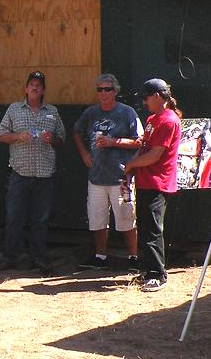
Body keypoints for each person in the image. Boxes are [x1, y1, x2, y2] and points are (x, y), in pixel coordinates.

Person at [0, 71, 66, 275]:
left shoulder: (52, 111)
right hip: (20, 172)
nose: (35, 88)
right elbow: (1, 135)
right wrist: (18, 136)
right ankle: (10, 257)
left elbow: (62, 139)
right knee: (14, 217)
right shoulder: (13, 109)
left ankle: (39, 258)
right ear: (26, 88)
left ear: (44, 90)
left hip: (45, 174)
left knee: (40, 219)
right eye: (32, 84)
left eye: (39, 85)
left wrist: (51, 138)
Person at [73, 73, 142, 272]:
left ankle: (133, 257)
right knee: (97, 218)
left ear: (115, 91)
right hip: (96, 176)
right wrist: (84, 153)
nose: (103, 93)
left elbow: (139, 141)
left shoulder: (127, 113)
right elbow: (76, 131)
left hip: (120, 176)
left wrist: (114, 142)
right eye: (100, 89)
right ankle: (100, 256)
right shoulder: (91, 113)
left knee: (126, 216)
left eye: (107, 89)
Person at [123, 78, 181, 292]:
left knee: (153, 230)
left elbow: (154, 156)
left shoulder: (168, 120)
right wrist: (131, 172)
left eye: (146, 97)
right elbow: (144, 148)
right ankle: (148, 271)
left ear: (157, 96)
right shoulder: (152, 119)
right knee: (146, 227)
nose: (144, 102)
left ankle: (158, 274)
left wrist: (130, 164)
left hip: (158, 182)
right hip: (145, 181)